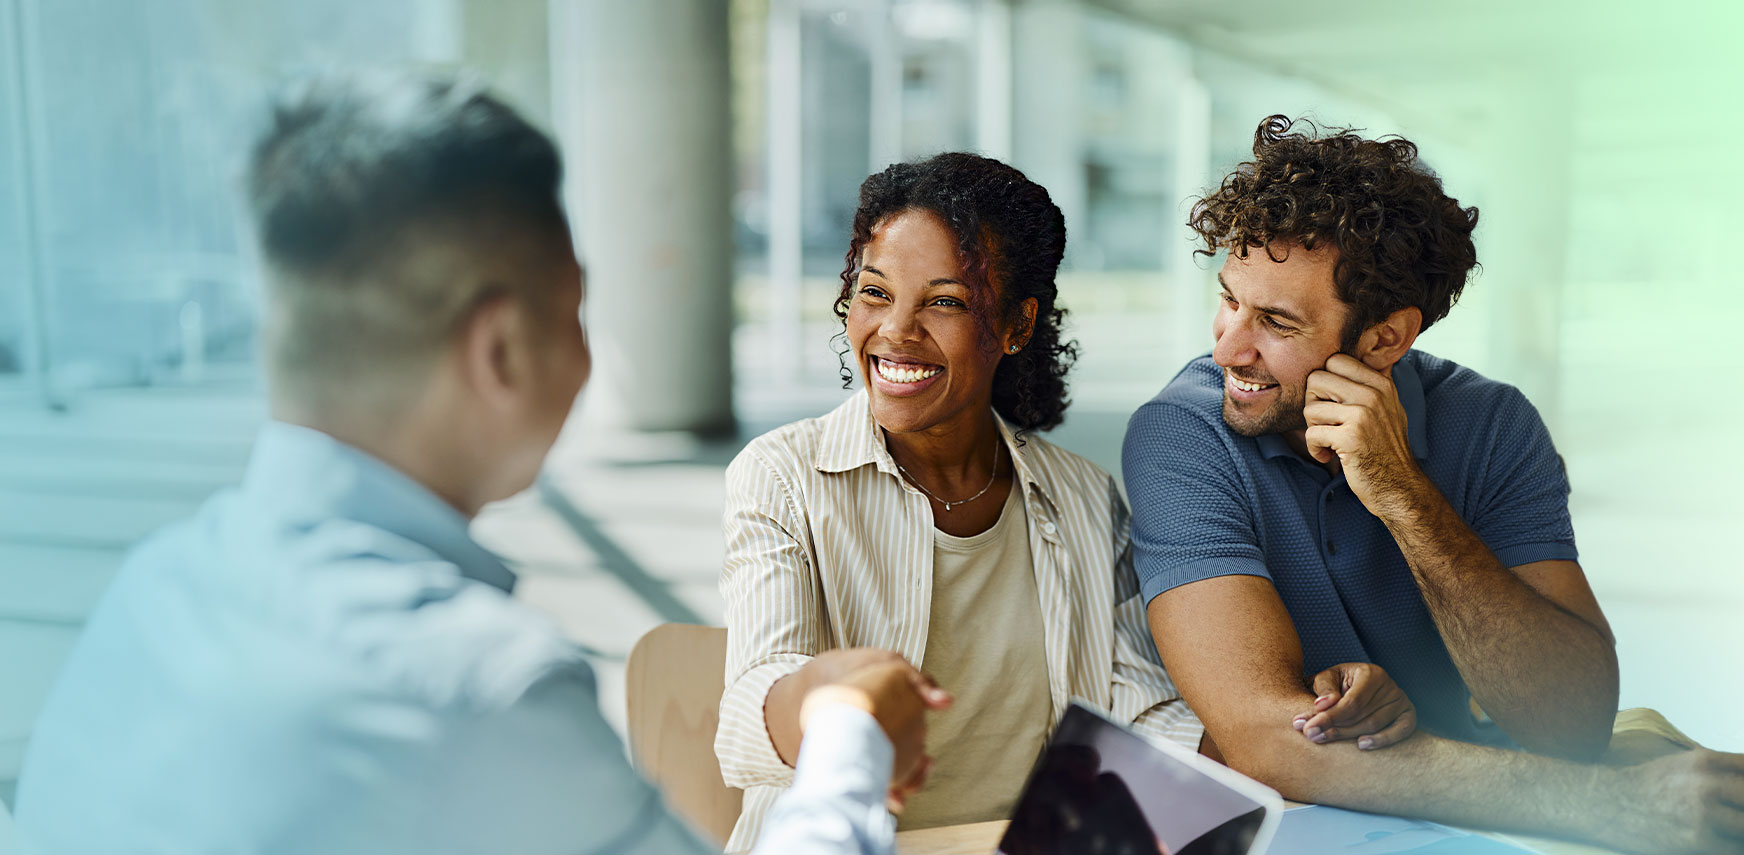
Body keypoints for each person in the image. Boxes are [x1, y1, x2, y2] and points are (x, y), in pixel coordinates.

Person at [13, 71, 949, 855]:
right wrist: (849, 738)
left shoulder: (151, 586)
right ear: (499, 349)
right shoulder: (475, 689)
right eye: (578, 310)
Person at [714, 152, 1410, 848]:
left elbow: (1142, 715)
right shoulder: (782, 477)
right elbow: (746, 717)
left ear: (1017, 325)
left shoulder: (1081, 496)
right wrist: (826, 695)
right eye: (873, 292)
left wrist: (1306, 726)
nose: (895, 329)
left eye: (945, 301)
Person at [1121, 114, 1744, 853]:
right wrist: (1603, 803)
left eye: (1276, 322)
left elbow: (1570, 721)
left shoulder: (1491, 423)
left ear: (1385, 337)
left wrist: (1403, 494)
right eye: (1229, 298)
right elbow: (1265, 737)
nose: (1227, 345)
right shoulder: (1180, 433)